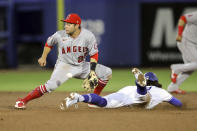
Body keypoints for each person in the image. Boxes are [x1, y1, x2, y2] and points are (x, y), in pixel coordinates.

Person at [15, 13, 112, 109]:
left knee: (107, 73)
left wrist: (92, 71)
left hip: (81, 66)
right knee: (50, 86)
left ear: (77, 25)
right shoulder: (59, 35)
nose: (66, 26)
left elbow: (94, 54)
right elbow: (49, 43)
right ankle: (23, 100)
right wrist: (43, 57)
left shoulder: (88, 36)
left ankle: (94, 100)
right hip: (64, 66)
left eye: (69, 24)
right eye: (66, 23)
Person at [60, 68, 182, 110]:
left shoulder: (129, 88)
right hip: (141, 97)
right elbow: (178, 103)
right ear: (155, 82)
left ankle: (78, 97)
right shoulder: (161, 91)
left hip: (127, 92)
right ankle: (141, 87)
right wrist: (180, 105)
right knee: (144, 98)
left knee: (103, 102)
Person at [168, 11, 197, 94]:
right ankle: (176, 68)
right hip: (186, 42)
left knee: (190, 68)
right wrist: (179, 34)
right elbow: (183, 18)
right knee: (196, 64)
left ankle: (172, 87)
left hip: (192, 44)